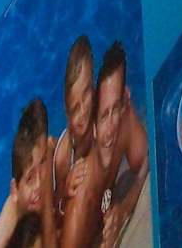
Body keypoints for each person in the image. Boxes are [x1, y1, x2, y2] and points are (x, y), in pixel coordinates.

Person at [59, 42, 149, 248]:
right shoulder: (79, 197)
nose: (110, 129)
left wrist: (124, 209)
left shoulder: (120, 121)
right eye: (103, 117)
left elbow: (146, 160)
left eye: (115, 109)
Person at [0, 99, 55, 248]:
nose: (39, 184)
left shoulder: (48, 156)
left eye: (43, 160)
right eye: (30, 178)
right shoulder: (12, 217)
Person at [53, 36, 97, 217]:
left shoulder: (102, 114)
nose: (84, 111)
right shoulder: (64, 157)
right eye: (75, 108)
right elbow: (56, 213)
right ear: (67, 113)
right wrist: (65, 190)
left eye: (86, 94)